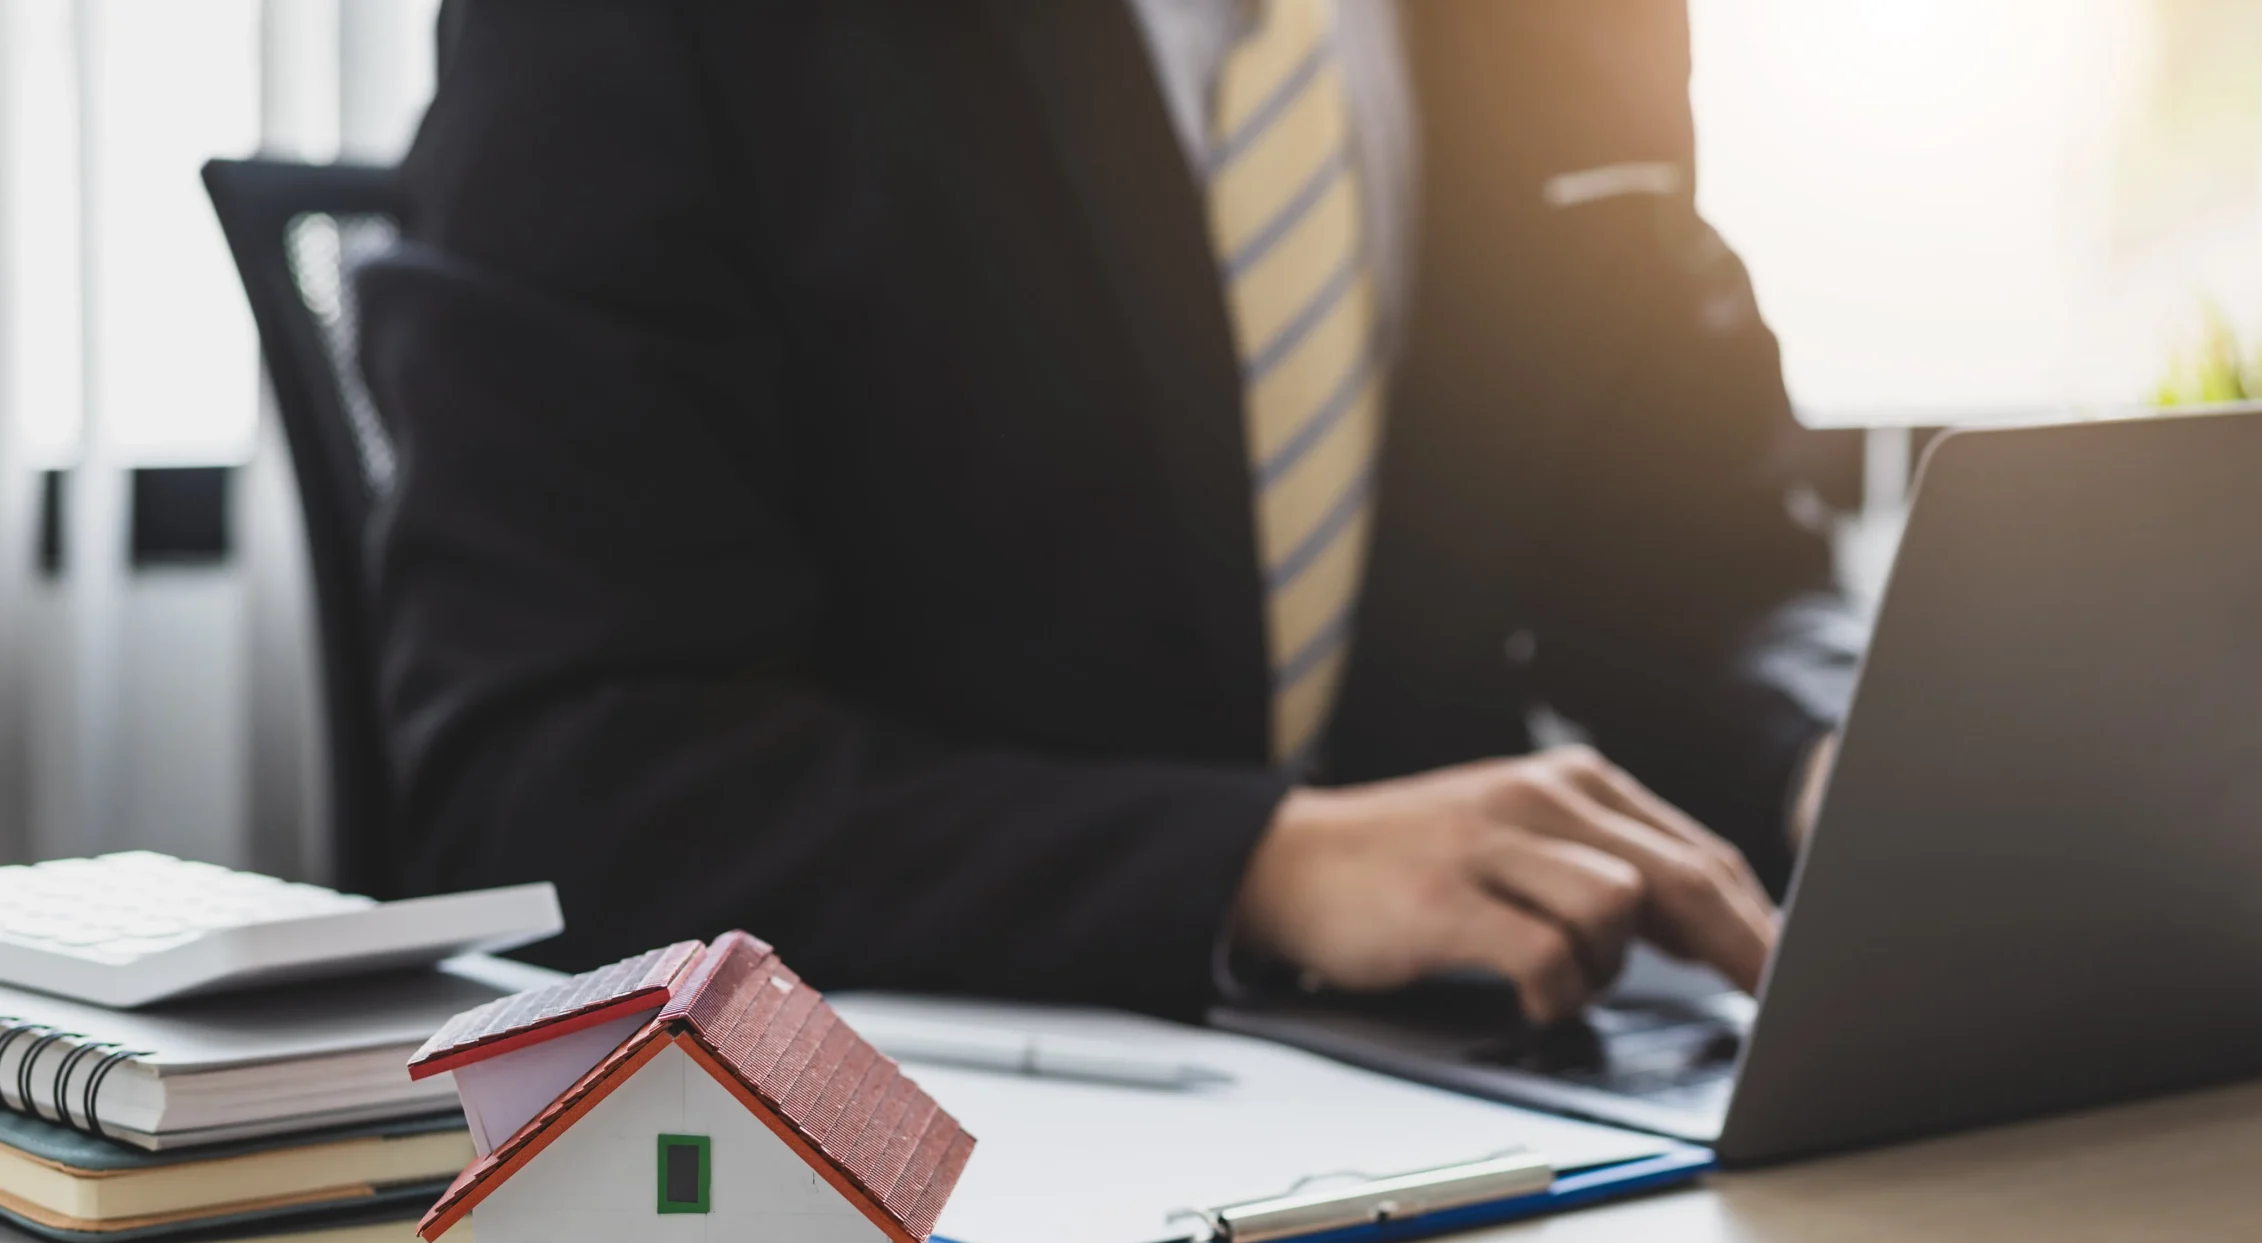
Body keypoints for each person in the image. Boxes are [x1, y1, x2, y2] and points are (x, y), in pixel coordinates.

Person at [360, 0, 1864, 1024]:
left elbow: (1694, 552)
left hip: (1475, 1115)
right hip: (914, 1159)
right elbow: (554, 781)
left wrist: (1836, 756)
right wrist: (1253, 862)